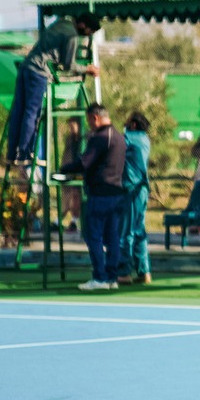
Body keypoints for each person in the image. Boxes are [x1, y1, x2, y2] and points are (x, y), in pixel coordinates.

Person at [6, 12, 100, 167]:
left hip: (26, 68)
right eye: (89, 31)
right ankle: (25, 153)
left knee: (19, 111)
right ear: (83, 25)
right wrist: (87, 69)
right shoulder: (72, 36)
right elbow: (69, 65)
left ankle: (12, 154)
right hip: (39, 72)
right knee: (32, 113)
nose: (87, 35)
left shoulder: (61, 23)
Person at [59, 103, 126, 292]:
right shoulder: (119, 138)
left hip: (100, 195)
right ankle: (111, 277)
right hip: (115, 194)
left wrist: (62, 169)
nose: (89, 125)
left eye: (89, 121)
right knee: (112, 237)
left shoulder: (100, 137)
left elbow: (84, 163)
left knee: (93, 236)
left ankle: (100, 277)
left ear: (95, 118)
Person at [117, 111, 152, 285]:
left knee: (126, 231)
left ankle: (124, 272)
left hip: (131, 188)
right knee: (139, 230)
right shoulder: (145, 139)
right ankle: (144, 271)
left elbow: (114, 145)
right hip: (143, 189)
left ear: (133, 124)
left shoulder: (129, 137)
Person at [59, 116, 83, 232]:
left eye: (73, 125)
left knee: (76, 196)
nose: (71, 128)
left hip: (78, 172)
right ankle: (61, 220)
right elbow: (66, 155)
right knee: (68, 195)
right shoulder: (69, 139)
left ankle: (74, 220)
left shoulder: (83, 139)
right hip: (68, 170)